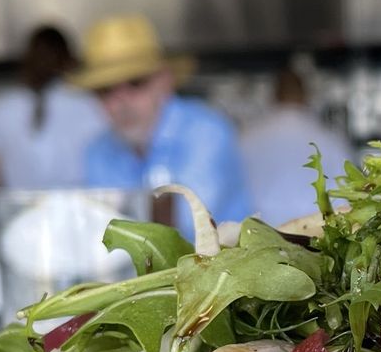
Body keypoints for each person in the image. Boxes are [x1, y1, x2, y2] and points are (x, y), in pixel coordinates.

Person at [78, 15, 252, 239]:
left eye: (135, 82)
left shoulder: (207, 131)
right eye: (105, 89)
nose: (121, 101)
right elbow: (100, 236)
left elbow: (189, 226)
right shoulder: (98, 151)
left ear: (165, 80)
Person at [0, 25, 109, 190]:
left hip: (19, 213)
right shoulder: (93, 105)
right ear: (69, 60)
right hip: (80, 210)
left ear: (27, 59)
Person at [239, 66, 355, 223]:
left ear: (273, 96)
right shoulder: (330, 139)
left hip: (260, 232)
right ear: (306, 95)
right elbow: (347, 193)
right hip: (315, 233)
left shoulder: (247, 138)